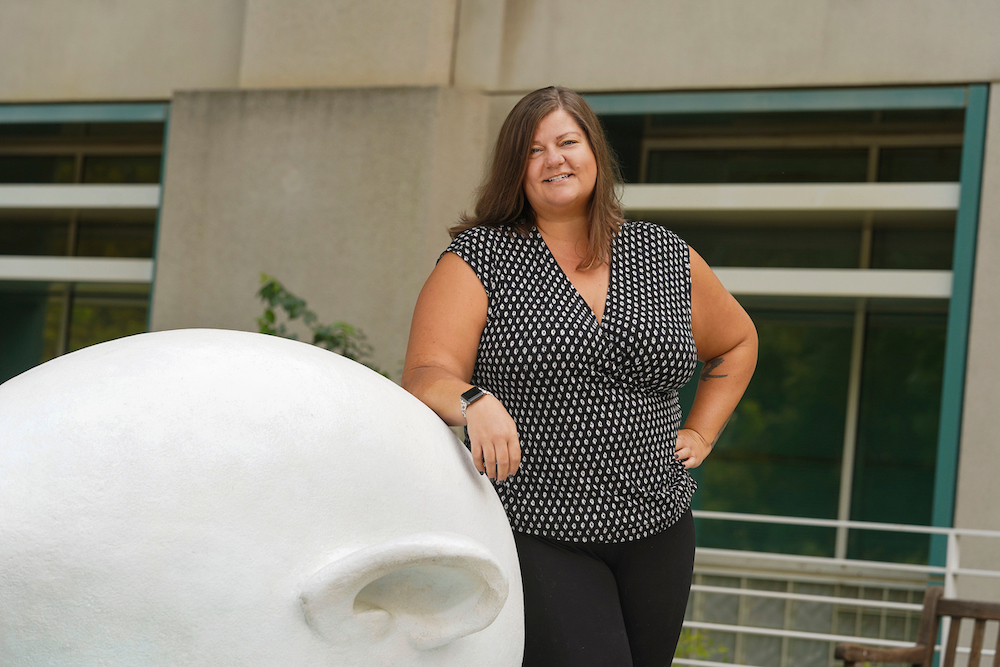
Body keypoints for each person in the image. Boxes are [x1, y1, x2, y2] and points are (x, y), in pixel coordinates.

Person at [402, 86, 757, 667]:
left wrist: (702, 432)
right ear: (514, 170)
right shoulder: (478, 258)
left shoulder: (662, 253)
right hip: (540, 526)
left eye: (568, 141)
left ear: (595, 152)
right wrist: (474, 399)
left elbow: (738, 343)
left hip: (659, 524)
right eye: (534, 150)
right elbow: (423, 373)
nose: (554, 159)